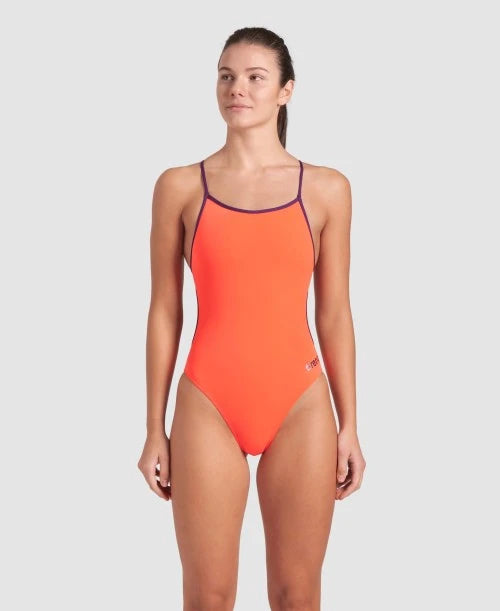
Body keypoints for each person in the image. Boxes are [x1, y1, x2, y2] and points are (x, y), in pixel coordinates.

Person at [138, 26, 366, 610]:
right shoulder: (180, 186)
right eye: (226, 76)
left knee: (297, 595)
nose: (237, 88)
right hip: (208, 401)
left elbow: (334, 313)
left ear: (286, 91)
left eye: (255, 77)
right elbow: (164, 310)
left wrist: (349, 425)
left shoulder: (327, 189)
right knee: (208, 598)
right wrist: (154, 428)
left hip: (300, 403)